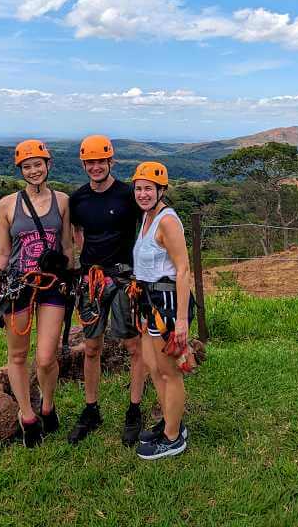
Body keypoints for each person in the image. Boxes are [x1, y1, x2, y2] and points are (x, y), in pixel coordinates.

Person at [0, 139, 75, 448]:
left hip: (52, 283)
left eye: (38, 164)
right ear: (21, 170)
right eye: (27, 166)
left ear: (48, 165)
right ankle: (27, 416)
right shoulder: (7, 204)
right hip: (17, 283)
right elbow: (2, 251)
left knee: (46, 356)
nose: (34, 170)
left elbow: (66, 245)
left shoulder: (62, 201)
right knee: (17, 354)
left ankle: (48, 404)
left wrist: (70, 278)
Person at [67, 134, 147, 445]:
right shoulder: (78, 199)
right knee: (91, 347)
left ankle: (134, 408)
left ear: (111, 161)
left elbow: (152, 219)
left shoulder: (129, 195)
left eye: (101, 161)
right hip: (91, 279)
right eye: (91, 162)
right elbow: (76, 232)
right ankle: (91, 409)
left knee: (133, 346)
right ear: (84, 164)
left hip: (125, 277)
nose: (96, 166)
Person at [131, 161, 194, 460]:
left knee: (170, 373)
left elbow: (183, 270)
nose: (143, 193)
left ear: (162, 190)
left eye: (149, 189)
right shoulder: (146, 218)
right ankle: (171, 422)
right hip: (148, 302)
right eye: (139, 188)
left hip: (167, 304)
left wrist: (181, 321)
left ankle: (173, 438)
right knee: (153, 368)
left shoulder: (167, 221)